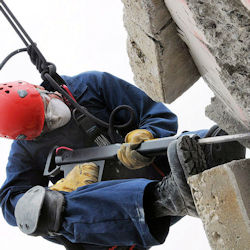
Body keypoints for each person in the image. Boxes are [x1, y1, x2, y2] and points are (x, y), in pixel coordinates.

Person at [0, 71, 245, 250]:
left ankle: (212, 160)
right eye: (46, 125)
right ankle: (164, 199)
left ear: (40, 88)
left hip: (165, 171)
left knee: (204, 142)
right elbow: (10, 203)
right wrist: (53, 193)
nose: (54, 116)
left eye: (47, 107)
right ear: (28, 137)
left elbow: (156, 114)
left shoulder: (90, 86)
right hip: (117, 223)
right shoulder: (25, 151)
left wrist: (147, 134)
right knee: (46, 214)